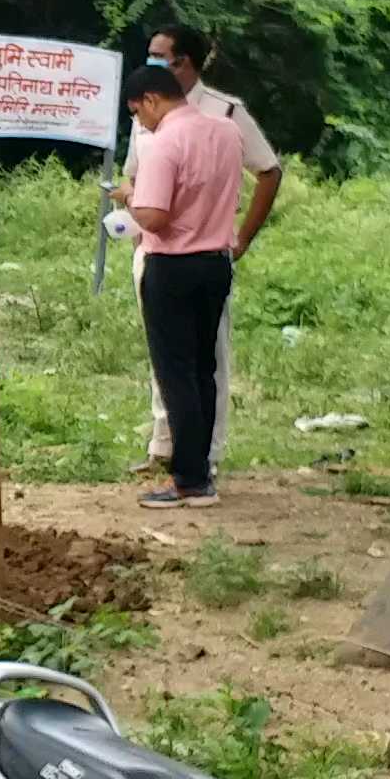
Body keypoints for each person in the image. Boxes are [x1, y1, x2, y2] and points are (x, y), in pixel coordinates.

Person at [114, 25, 282, 476]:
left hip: (185, 254)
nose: (150, 63)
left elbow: (268, 171)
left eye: (158, 57)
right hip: (163, 253)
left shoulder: (224, 116)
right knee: (173, 361)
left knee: (195, 363)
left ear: (183, 62)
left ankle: (202, 459)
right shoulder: (159, 122)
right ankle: (167, 447)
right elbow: (136, 172)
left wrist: (242, 236)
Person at [121, 66, 243, 509]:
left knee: (175, 374)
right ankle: (202, 472)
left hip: (172, 266)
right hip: (215, 262)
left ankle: (186, 478)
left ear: (152, 100)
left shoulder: (164, 142)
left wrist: (126, 198)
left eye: (139, 113)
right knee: (203, 370)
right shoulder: (226, 132)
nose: (141, 123)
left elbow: (153, 215)